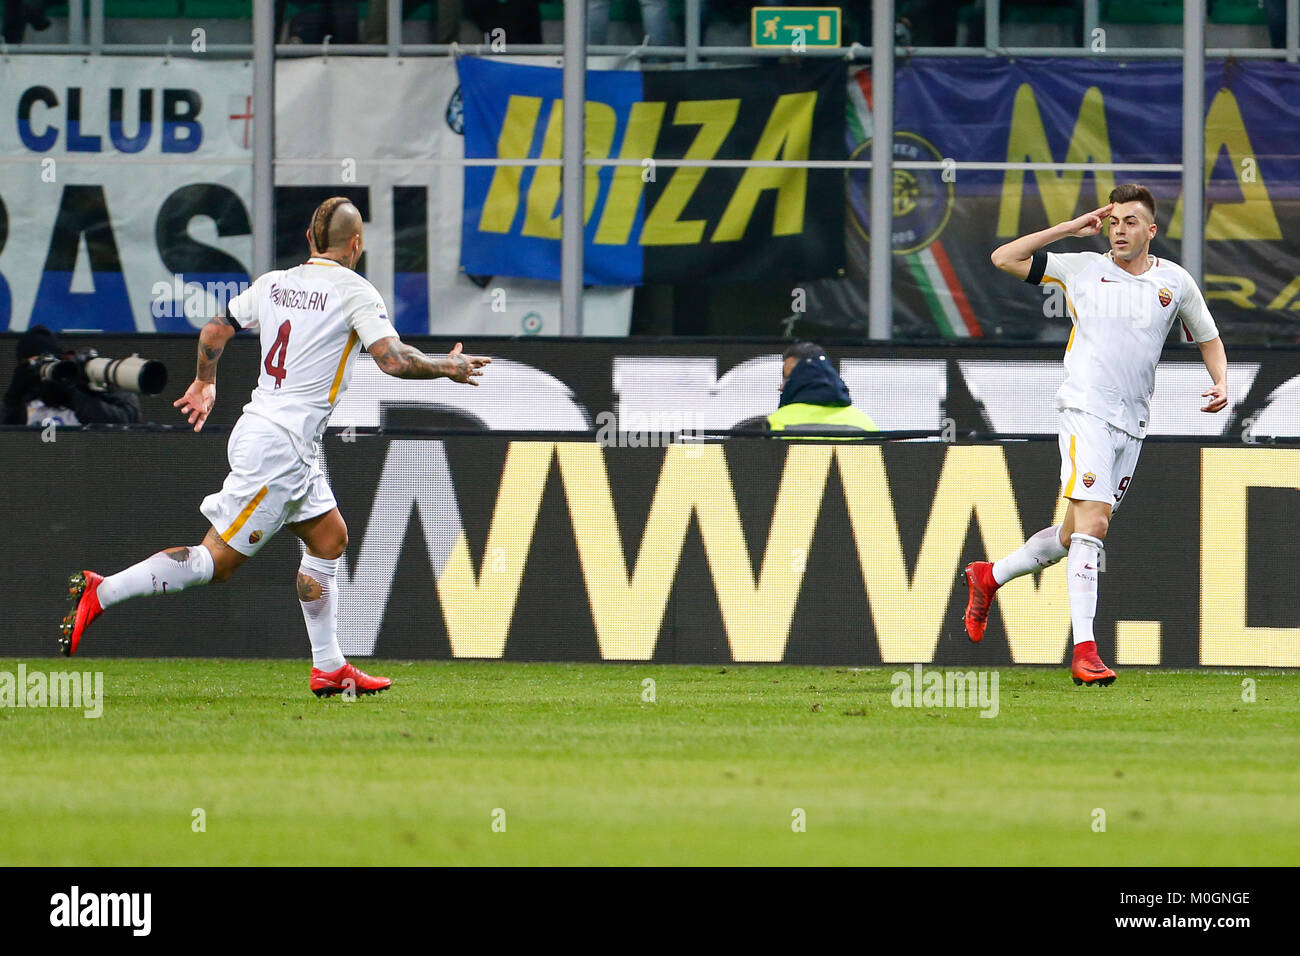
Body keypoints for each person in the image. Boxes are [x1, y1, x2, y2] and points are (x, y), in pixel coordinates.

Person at [59, 197, 491, 698]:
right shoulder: (355, 291)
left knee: (330, 539)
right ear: (357, 244)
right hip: (279, 450)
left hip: (277, 439)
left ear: (310, 240)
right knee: (213, 562)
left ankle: (330, 667)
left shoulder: (274, 283)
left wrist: (205, 382)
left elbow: (215, 330)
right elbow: (392, 360)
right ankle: (102, 590)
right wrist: (446, 367)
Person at [965, 183, 1227, 687]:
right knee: (1094, 525)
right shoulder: (1082, 266)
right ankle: (1085, 651)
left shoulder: (1175, 283)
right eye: (1114, 221)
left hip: (1133, 424)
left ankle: (989, 576)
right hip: (1085, 410)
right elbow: (1003, 257)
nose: (1120, 229)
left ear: (1151, 231)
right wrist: (1066, 229)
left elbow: (1210, 338)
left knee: (1071, 536)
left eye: (1131, 221)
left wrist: (1221, 381)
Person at [3, 326, 142, 426]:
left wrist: (74, 397)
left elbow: (127, 422)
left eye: (47, 361)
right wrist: (12, 400)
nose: (41, 370)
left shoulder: (86, 385)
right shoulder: (23, 400)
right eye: (35, 364)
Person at [767, 341, 879, 436]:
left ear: (799, 381)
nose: (781, 387)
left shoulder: (775, 423)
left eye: (787, 379)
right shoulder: (865, 424)